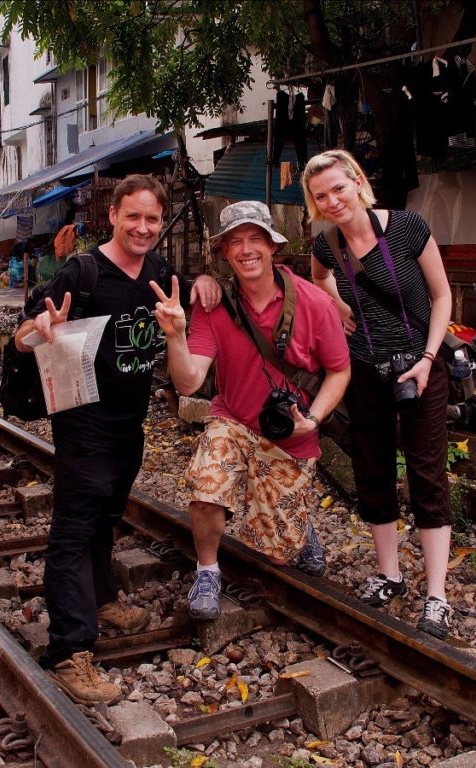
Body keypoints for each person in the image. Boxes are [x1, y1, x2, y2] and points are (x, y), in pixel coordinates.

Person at [13, 174, 220, 705]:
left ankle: (102, 597)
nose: (143, 227)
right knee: (74, 528)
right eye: (134, 217)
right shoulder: (81, 272)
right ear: (113, 216)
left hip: (130, 422)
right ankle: (68, 650)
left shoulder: (159, 274)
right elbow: (23, 333)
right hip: (82, 420)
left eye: (153, 218)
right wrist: (41, 329)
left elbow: (185, 310)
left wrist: (206, 283)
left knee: (107, 515)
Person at [150, 201, 350, 621]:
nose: (246, 250)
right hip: (233, 419)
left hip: (291, 434)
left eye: (255, 239)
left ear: (272, 246)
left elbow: (340, 370)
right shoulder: (213, 304)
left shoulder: (315, 304)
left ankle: (298, 527)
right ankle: (207, 570)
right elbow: (188, 383)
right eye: (235, 242)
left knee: (278, 554)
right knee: (206, 491)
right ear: (224, 252)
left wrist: (311, 421)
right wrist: (176, 336)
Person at [302, 149, 455, 639]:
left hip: (420, 369)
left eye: (338, 189)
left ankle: (437, 596)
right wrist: (339, 306)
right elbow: (318, 280)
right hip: (365, 370)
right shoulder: (327, 245)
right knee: (372, 469)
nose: (332, 201)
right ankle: (389, 574)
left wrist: (429, 360)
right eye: (321, 196)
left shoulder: (408, 227)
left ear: (357, 182)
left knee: (427, 472)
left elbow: (443, 295)